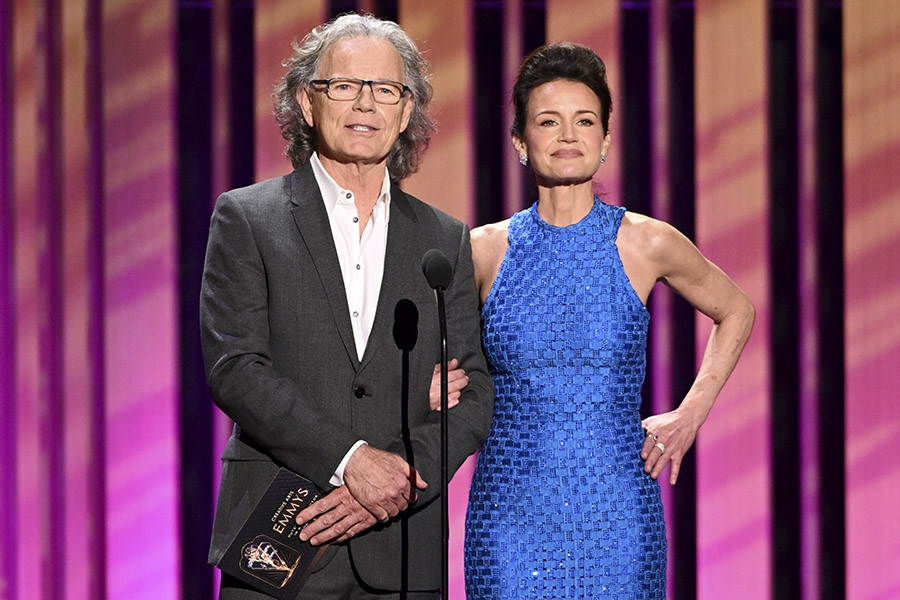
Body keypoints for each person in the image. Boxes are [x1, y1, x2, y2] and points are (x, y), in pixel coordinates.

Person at [200, 13, 493, 599]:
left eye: (385, 90)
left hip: (404, 546)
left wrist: (404, 482)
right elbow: (235, 368)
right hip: (282, 535)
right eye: (344, 86)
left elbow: (476, 393)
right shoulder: (247, 218)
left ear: (405, 113)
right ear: (308, 103)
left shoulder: (445, 240)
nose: (366, 104)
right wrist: (352, 461)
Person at [458, 43, 755, 599]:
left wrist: (691, 414)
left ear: (606, 140)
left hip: (619, 514)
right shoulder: (482, 251)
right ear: (521, 141)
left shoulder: (647, 242)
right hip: (509, 517)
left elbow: (736, 309)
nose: (568, 135)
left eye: (585, 121)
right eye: (549, 121)